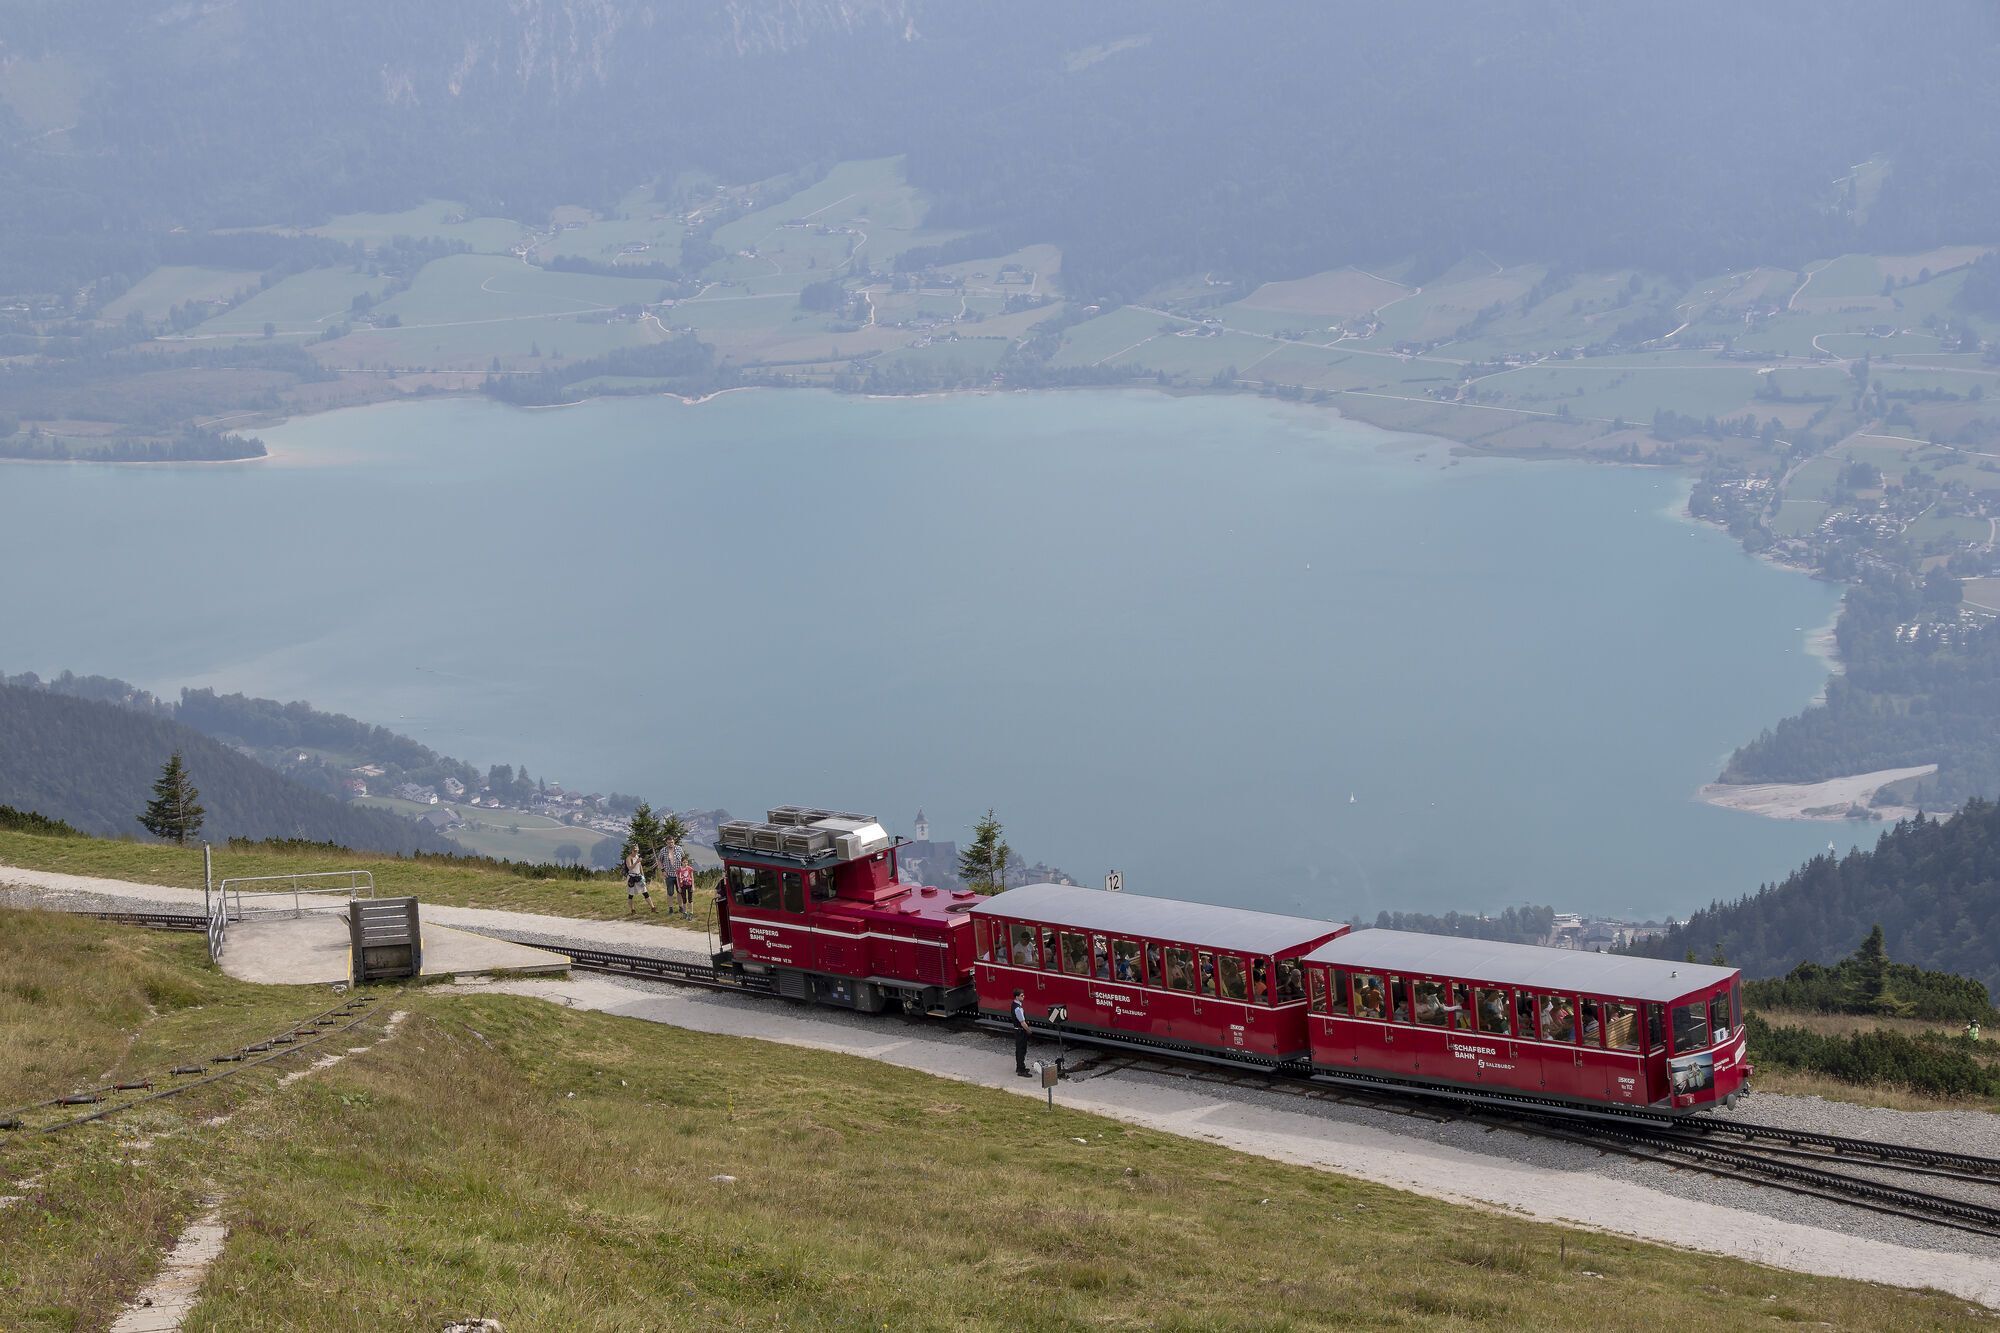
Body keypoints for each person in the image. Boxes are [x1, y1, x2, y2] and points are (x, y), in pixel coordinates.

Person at [625, 846, 656, 914]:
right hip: (632, 877)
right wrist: (636, 862)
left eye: (637, 851)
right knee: (631, 894)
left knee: (645, 892)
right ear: (631, 851)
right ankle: (632, 910)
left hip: (639, 876)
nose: (636, 852)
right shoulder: (628, 858)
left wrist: (643, 876)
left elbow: (640, 866)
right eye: (635, 851)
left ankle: (653, 907)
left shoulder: (637, 856)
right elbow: (630, 868)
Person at [1011, 989, 1032, 1077]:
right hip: (1020, 1031)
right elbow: (1022, 1022)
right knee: (1021, 1050)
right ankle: (1021, 1070)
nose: (1023, 997)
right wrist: (1028, 1030)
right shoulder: (1018, 1009)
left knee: (1019, 1050)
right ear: (1017, 997)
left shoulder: (1014, 1004)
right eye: (1022, 996)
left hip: (1017, 1030)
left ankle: (1019, 1067)